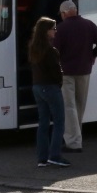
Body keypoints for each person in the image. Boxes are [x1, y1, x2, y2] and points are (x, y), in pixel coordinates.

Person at [51, 0, 97, 153]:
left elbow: (54, 52)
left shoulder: (60, 29)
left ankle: (74, 142)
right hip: (85, 71)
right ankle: (76, 136)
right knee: (80, 105)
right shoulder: (89, 24)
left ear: (63, 13)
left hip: (66, 73)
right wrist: (92, 56)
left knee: (69, 106)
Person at [28, 17, 70, 168]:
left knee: (43, 122)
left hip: (37, 87)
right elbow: (56, 72)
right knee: (59, 122)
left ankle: (42, 158)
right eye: (53, 28)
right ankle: (55, 155)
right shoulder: (51, 50)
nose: (55, 31)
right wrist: (59, 82)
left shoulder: (33, 47)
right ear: (46, 31)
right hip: (50, 87)